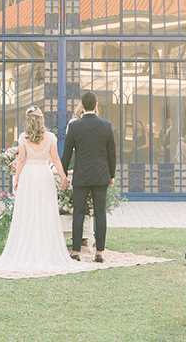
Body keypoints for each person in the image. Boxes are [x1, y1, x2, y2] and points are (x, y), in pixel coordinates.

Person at [0, 106, 84, 274]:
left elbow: (22, 160)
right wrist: (63, 176)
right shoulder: (51, 137)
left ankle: (28, 246)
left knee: (28, 212)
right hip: (44, 174)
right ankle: (46, 249)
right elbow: (55, 158)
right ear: (41, 119)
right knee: (45, 211)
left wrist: (16, 178)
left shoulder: (24, 137)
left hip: (29, 176)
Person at [62, 90, 116, 263]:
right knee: (100, 213)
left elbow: (67, 153)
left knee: (78, 212)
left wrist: (63, 175)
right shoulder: (106, 125)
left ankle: (76, 251)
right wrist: (111, 175)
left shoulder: (75, 126)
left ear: (83, 106)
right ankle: (99, 252)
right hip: (101, 176)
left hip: (82, 176)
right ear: (96, 105)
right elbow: (112, 154)